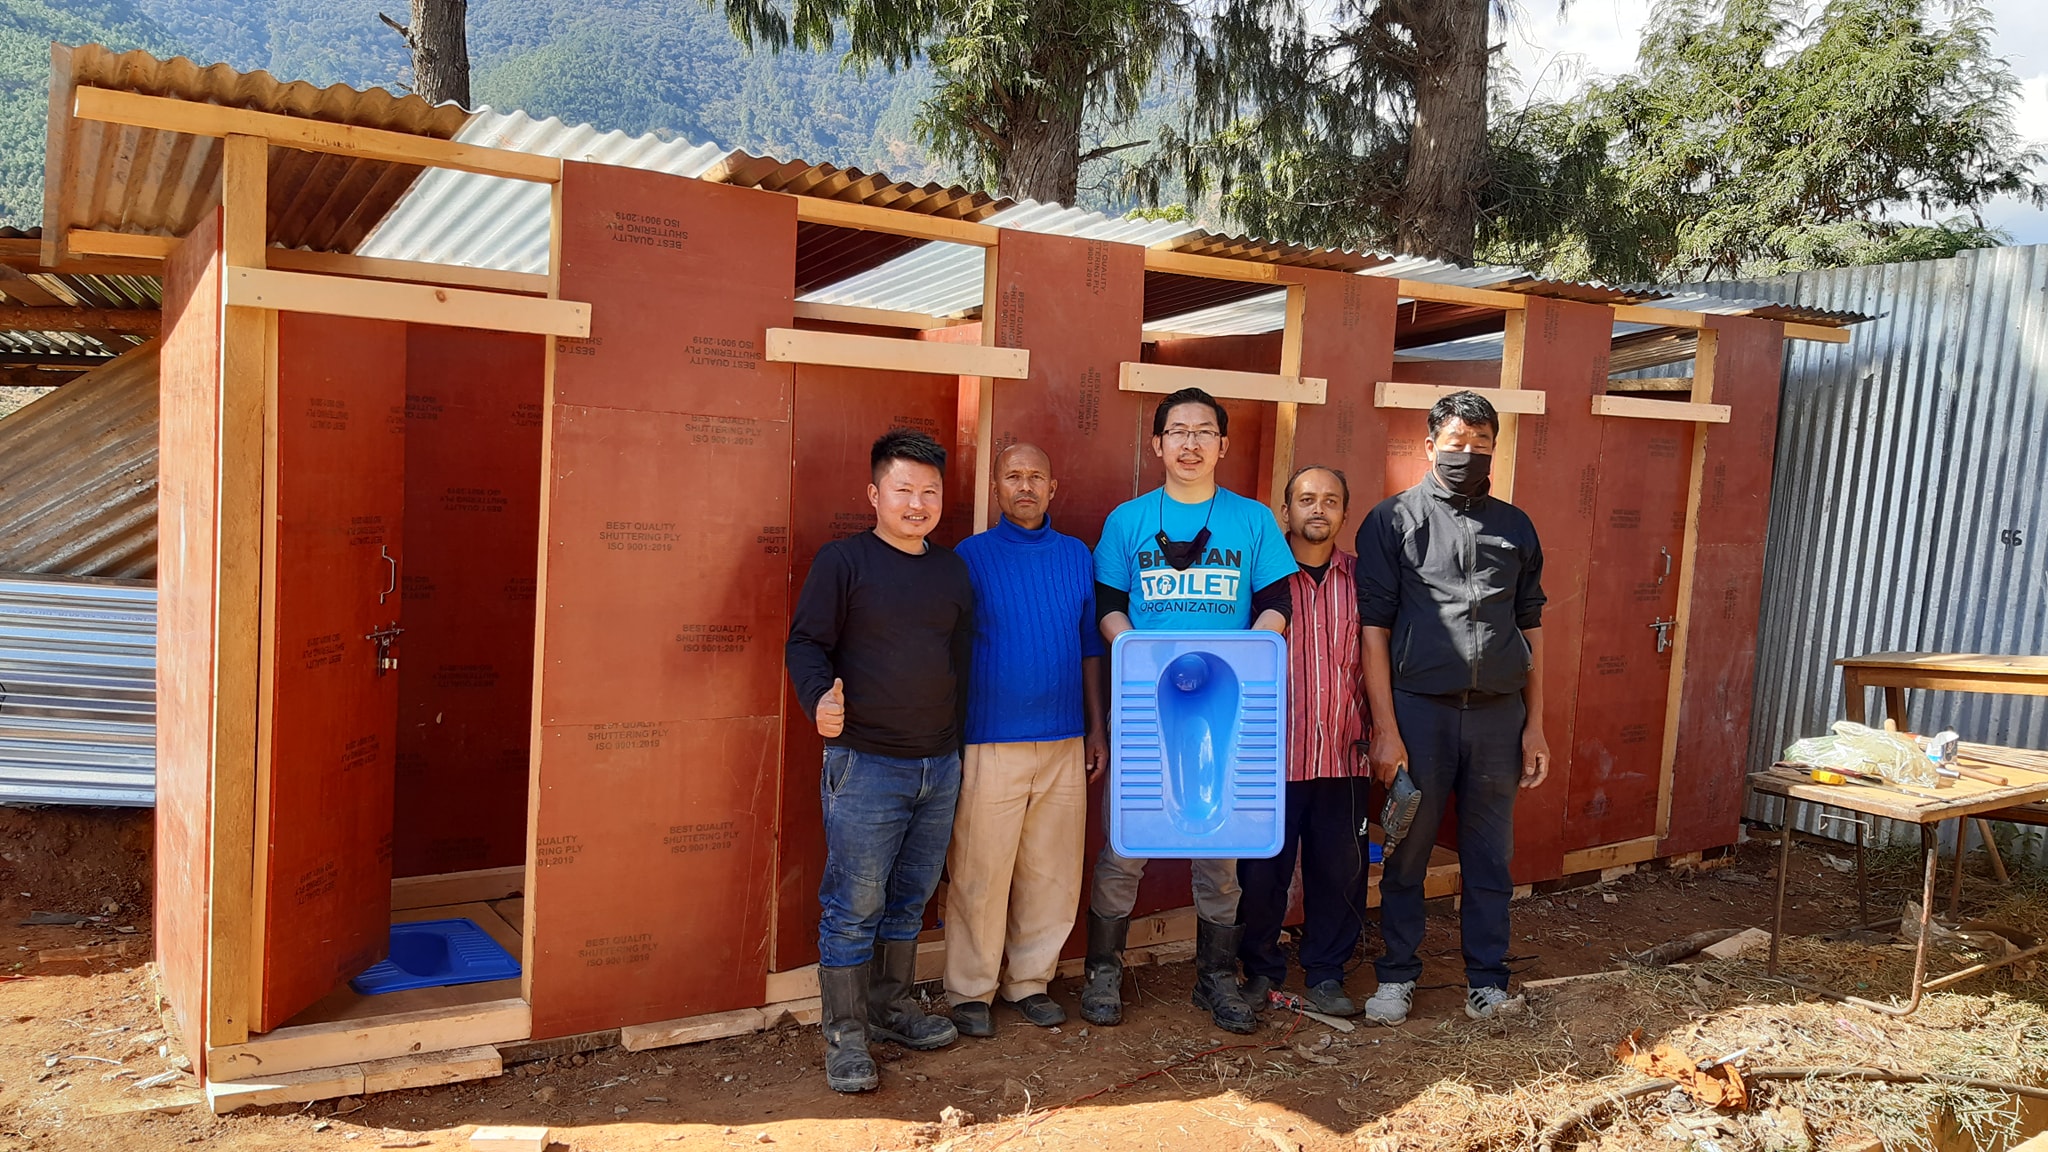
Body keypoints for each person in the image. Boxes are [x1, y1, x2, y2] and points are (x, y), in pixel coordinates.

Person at [1085, 387, 1297, 1035]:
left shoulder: (1253, 520)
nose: (1190, 443)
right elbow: (1107, 607)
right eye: (1177, 431)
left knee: (1220, 847)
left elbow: (1277, 606)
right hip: (1148, 703)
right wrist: (1146, 654)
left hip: (1225, 708)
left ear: (1222, 445)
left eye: (1204, 431)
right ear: (1157, 444)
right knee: (1128, 843)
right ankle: (1103, 970)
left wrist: (1240, 653)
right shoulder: (1127, 521)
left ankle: (1214, 978)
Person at [786, 428, 975, 1093]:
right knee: (855, 903)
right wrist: (819, 702)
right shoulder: (843, 563)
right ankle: (844, 1035)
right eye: (904, 490)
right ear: (875, 494)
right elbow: (805, 646)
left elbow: (960, 662)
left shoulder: (952, 570)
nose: (918, 503)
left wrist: (955, 745)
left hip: (938, 766)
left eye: (930, 492)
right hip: (865, 766)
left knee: (910, 899)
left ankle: (892, 1009)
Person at [1353, 390, 1549, 1025]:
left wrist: (1535, 724)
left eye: (1481, 444)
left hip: (1498, 715)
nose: (1468, 454)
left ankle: (1487, 979)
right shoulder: (1393, 521)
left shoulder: (1515, 526)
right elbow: (1373, 629)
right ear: (1430, 444)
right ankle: (1397, 976)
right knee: (1407, 848)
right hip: (1419, 711)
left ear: (1495, 447)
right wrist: (1385, 727)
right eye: (1456, 443)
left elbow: (1532, 628)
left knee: (1490, 853)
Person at [943, 443, 1108, 1037]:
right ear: (996, 487)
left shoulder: (1075, 556)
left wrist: (1096, 726)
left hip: (1065, 738)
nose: (1025, 486)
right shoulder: (969, 557)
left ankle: (1030, 981)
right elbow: (953, 651)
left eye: (1036, 476)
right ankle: (969, 990)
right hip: (990, 739)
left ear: (1053, 487)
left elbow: (1091, 647)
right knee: (980, 871)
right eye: (1013, 476)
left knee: (1053, 870)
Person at [1235, 464, 1373, 1018]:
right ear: (1285, 511)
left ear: (1344, 512)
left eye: (1331, 500)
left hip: (1344, 753)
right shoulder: (1261, 583)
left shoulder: (1365, 580)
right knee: (1261, 874)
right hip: (1270, 756)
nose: (1319, 509)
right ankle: (1260, 971)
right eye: (1306, 499)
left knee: (1338, 871)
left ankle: (1326, 972)